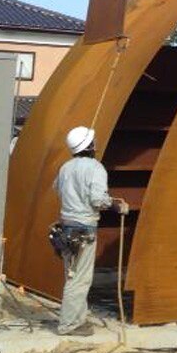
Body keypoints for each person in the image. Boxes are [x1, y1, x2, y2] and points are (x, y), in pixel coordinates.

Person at [52, 125, 128, 336]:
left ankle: (78, 319)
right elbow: (97, 199)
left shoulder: (65, 167)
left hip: (67, 228)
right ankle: (68, 325)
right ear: (90, 145)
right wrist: (114, 205)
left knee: (74, 276)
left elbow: (57, 188)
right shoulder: (95, 168)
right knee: (79, 279)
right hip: (84, 229)